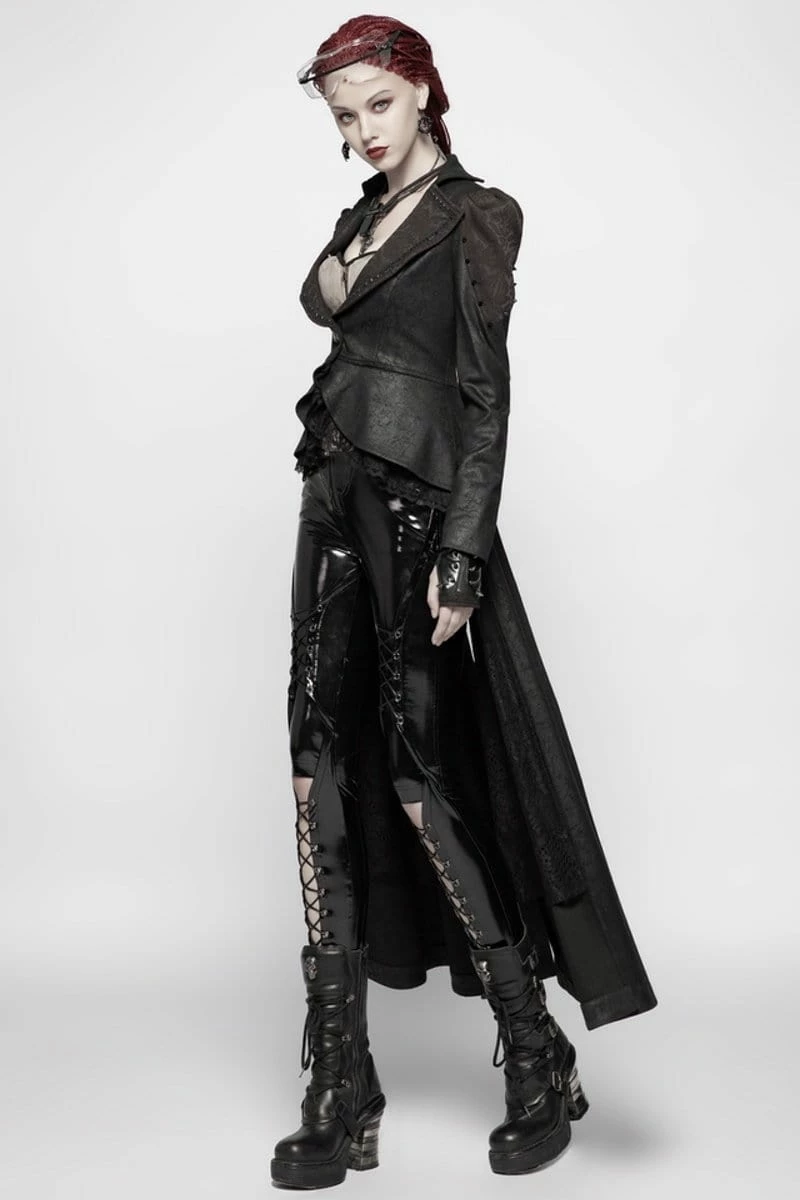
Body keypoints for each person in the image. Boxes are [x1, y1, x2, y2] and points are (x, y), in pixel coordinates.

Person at [271, 15, 657, 1190]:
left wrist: (462, 551)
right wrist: (338, 265)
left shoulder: (474, 215)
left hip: (413, 510)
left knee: (416, 777)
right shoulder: (362, 217)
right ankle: (341, 1080)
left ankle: (532, 1050)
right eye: (344, 114)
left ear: (423, 93)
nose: (361, 129)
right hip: (329, 498)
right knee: (314, 770)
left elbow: (485, 395)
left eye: (377, 105)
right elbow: (322, 302)